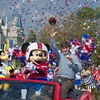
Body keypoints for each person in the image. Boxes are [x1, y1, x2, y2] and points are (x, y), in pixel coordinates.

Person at [49, 29, 82, 100]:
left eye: (66, 48)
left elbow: (79, 68)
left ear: (69, 48)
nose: (65, 49)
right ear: (61, 49)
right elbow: (54, 49)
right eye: (63, 48)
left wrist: (72, 61)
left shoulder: (74, 57)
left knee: (64, 88)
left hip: (69, 81)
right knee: (49, 85)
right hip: (59, 78)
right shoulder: (60, 56)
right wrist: (52, 38)